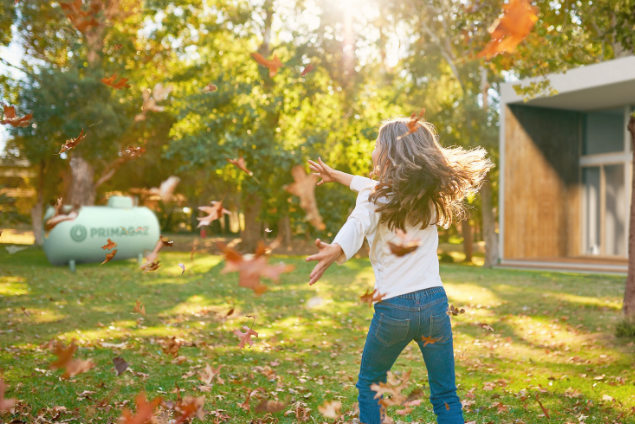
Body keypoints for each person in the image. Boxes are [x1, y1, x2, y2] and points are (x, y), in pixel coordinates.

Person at [306, 117, 492, 424]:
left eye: (378, 144)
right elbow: (369, 187)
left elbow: (358, 223)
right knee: (445, 394)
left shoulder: (376, 196)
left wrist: (337, 249)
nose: (373, 149)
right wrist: (338, 176)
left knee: (370, 385)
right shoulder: (429, 196)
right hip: (435, 306)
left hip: (395, 309)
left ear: (389, 153)